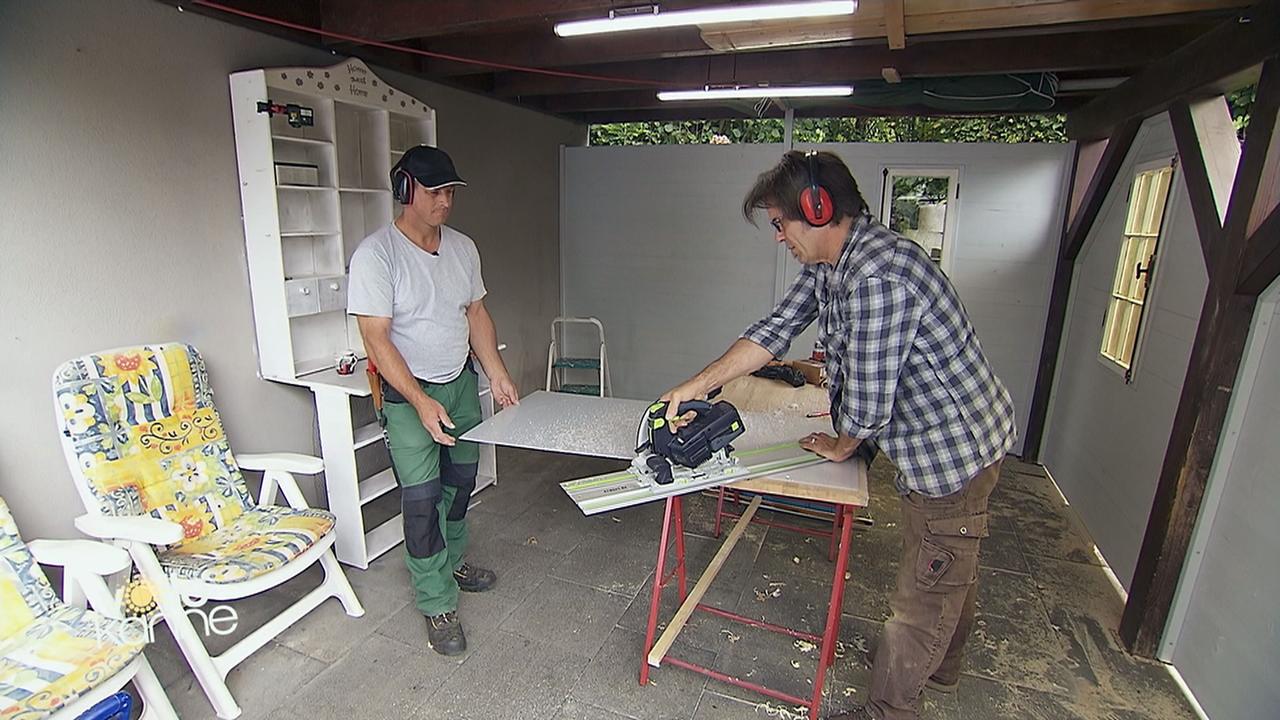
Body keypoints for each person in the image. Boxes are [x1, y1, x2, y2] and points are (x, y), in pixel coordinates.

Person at [661, 150, 1016, 719]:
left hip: (953, 453)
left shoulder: (878, 279)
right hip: (948, 442)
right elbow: (776, 330)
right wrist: (700, 383)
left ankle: (889, 709)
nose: (778, 237)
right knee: (950, 560)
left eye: (780, 223)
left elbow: (869, 407)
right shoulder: (834, 264)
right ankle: (943, 670)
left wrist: (842, 443)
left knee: (922, 594)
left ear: (818, 209)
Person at [347, 145, 519, 656]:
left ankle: (454, 560)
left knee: (460, 486)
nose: (446, 200)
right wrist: (420, 402)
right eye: (435, 191)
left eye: (450, 191)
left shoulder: (463, 249)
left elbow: (476, 316)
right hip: (407, 396)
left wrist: (498, 374)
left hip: (460, 383)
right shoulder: (376, 256)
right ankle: (436, 601)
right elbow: (376, 339)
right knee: (422, 503)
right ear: (406, 191)